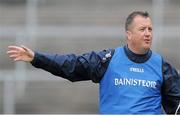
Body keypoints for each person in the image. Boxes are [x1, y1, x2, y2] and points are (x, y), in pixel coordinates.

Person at [7, 11, 180, 114]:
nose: (148, 33)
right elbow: (71, 65)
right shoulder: (108, 59)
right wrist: (37, 58)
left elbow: (176, 106)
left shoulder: (162, 66)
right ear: (128, 34)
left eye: (150, 29)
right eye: (142, 29)